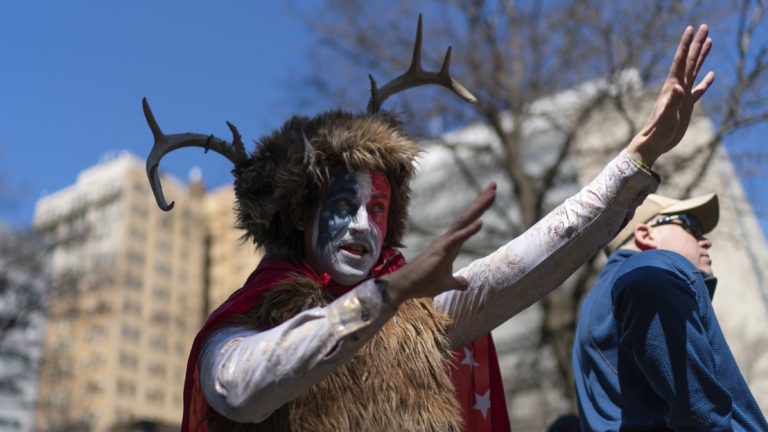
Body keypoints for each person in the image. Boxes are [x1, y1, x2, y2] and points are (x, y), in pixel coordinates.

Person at [143, 20, 715, 431]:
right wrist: (384, 296)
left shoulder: (421, 318)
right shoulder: (243, 325)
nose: (365, 226)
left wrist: (638, 156)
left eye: (379, 210)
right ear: (299, 214)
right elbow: (240, 387)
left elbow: (531, 260)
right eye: (345, 204)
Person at [572, 192, 768, 431]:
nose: (705, 240)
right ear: (646, 234)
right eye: (691, 227)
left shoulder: (592, 304)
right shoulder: (652, 266)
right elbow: (701, 414)